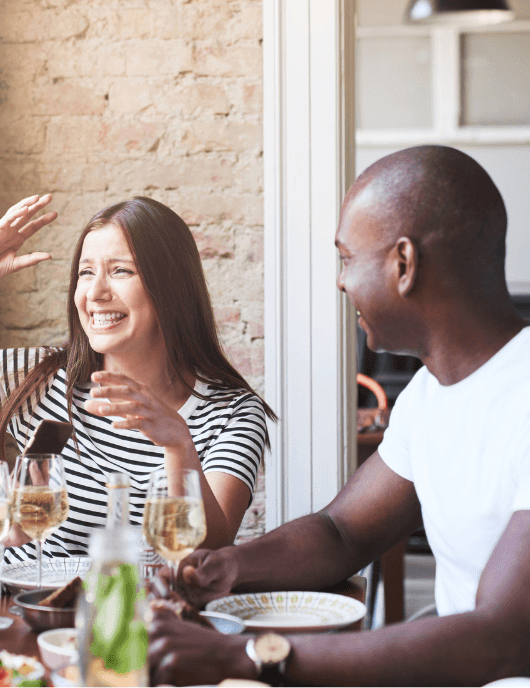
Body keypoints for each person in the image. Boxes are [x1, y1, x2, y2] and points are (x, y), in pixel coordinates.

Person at [147, 145, 530, 686]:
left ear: (404, 263)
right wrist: (229, 567)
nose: (340, 281)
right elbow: (342, 532)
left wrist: (247, 656)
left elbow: (502, 639)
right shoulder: (429, 394)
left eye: (347, 258)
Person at [0, 195, 271, 563]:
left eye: (120, 271)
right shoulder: (39, 379)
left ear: (172, 287)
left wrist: (178, 444)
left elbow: (207, 551)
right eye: (86, 272)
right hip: (29, 616)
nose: (95, 293)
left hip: (142, 625)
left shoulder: (231, 413)